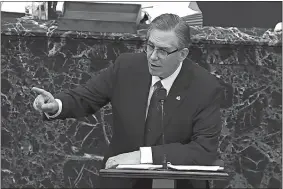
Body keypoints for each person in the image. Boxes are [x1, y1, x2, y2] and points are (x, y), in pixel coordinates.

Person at [32, 13, 223, 189]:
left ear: (182, 54)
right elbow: (87, 96)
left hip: (173, 182)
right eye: (150, 46)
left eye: (163, 51)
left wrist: (144, 157)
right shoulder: (127, 67)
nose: (153, 56)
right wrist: (57, 104)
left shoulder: (205, 87)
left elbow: (203, 150)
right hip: (122, 179)